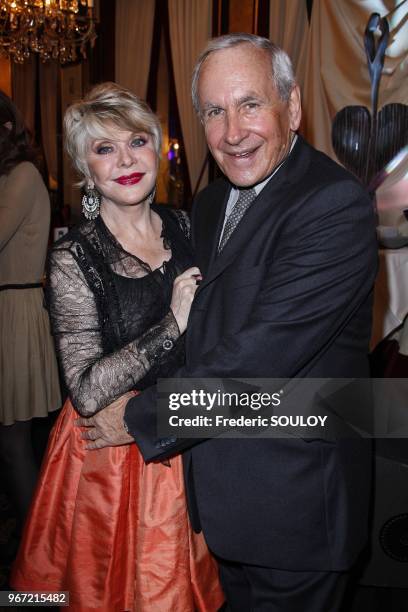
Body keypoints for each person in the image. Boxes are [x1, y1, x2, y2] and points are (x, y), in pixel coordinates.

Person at [78, 35, 378, 612]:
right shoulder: (214, 202)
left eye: (250, 105)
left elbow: (258, 361)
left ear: (291, 109)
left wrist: (137, 417)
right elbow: (205, 329)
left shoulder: (333, 204)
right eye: (215, 111)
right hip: (222, 500)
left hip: (296, 511)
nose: (232, 132)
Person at [11, 83, 224, 612]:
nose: (125, 160)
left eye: (136, 142)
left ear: (157, 148)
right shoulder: (73, 257)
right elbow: (85, 390)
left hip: (190, 428)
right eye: (105, 149)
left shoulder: (189, 225)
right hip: (108, 458)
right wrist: (172, 324)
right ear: (85, 167)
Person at [0, 91, 61, 544]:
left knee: (14, 442)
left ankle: (40, 544)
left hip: (15, 311)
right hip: (7, 308)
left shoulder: (22, 175)